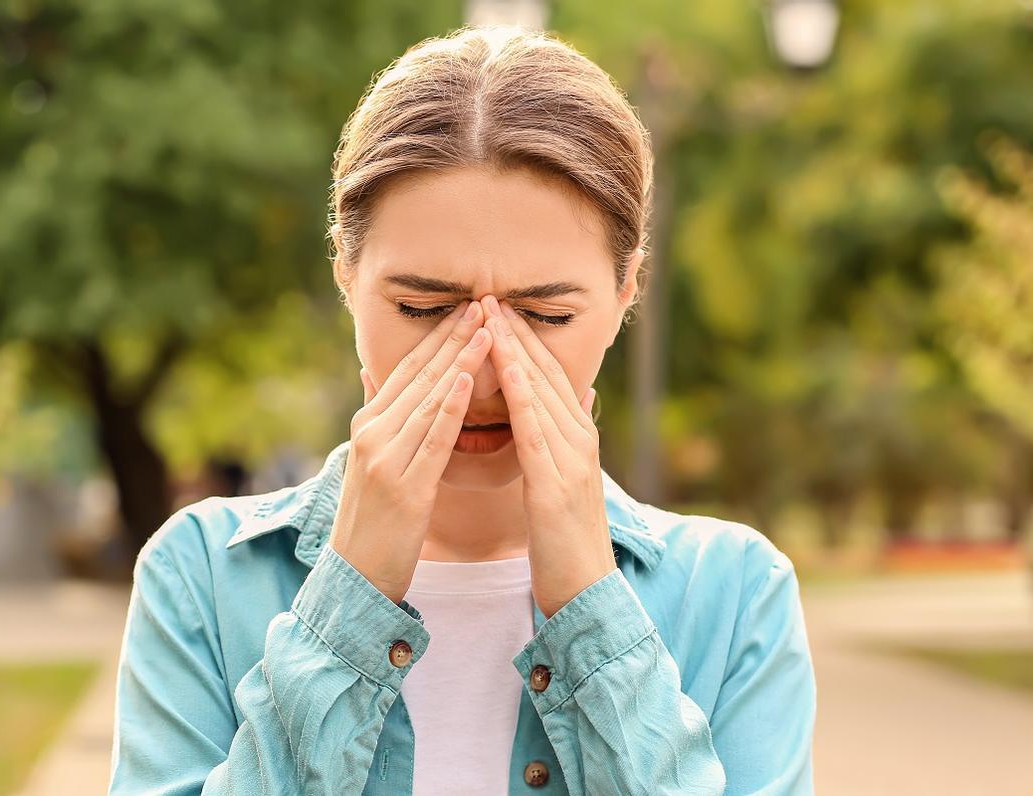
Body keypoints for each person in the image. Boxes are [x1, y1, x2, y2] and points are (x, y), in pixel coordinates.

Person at [108, 25, 816, 796]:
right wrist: (348, 603)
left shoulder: (736, 594)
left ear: (624, 294)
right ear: (346, 275)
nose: (482, 371)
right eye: (423, 308)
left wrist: (589, 599)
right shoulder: (203, 577)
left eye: (544, 316)